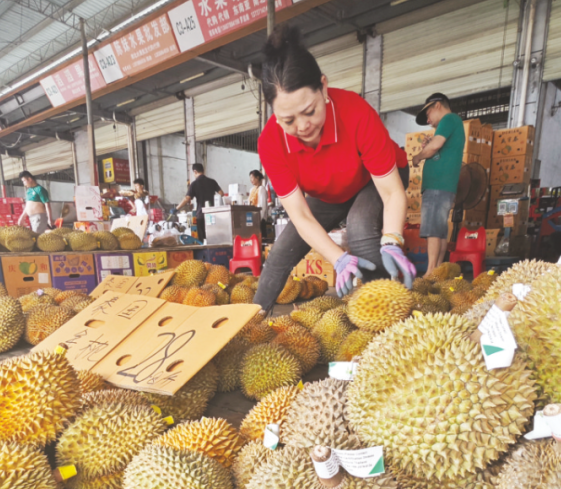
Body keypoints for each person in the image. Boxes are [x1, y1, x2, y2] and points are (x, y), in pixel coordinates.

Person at [253, 25, 413, 312]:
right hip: (331, 192)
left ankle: (387, 315)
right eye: (288, 120)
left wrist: (391, 239)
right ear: (274, 114)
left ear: (324, 87)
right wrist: (337, 258)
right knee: (280, 253)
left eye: (310, 111)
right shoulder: (270, 143)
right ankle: (250, 320)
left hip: (377, 180)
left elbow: (391, 193)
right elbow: (301, 216)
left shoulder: (355, 112)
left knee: (360, 227)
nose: (303, 126)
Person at [412, 92, 465, 275]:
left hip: (438, 185)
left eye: (428, 114)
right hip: (443, 186)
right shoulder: (452, 123)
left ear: (437, 105)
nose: (428, 120)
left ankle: (430, 272)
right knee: (440, 230)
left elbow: (435, 146)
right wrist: (429, 146)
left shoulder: (449, 119)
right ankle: (438, 271)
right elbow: (436, 146)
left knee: (433, 229)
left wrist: (418, 156)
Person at [175, 163, 223, 238]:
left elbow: (187, 198)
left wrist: (176, 208)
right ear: (203, 170)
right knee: (213, 238)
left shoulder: (194, 184)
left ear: (195, 171)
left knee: (203, 239)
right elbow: (221, 194)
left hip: (201, 215)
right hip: (212, 215)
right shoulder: (212, 181)